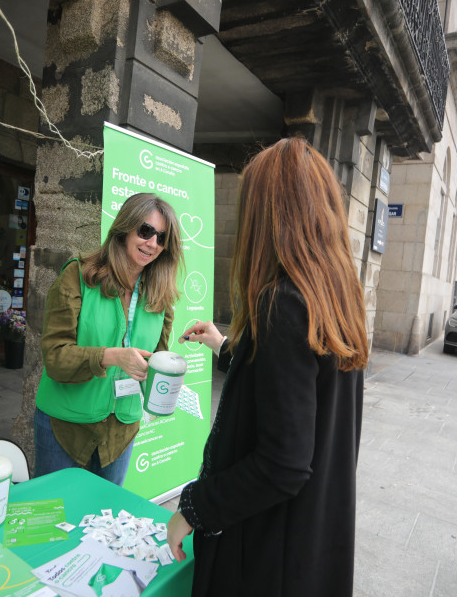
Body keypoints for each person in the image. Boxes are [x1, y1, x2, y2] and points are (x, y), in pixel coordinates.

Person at [166, 138, 368, 596]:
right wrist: (225, 347)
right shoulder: (335, 298)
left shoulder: (282, 302)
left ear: (270, 214)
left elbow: (283, 464)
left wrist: (193, 508)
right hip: (311, 545)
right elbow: (290, 389)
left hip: (266, 557)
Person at [34, 192, 184, 485]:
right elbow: (55, 358)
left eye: (161, 237)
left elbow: (157, 358)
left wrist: (165, 378)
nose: (152, 243)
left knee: (105, 523)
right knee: (55, 525)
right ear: (125, 229)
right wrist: (112, 356)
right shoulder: (79, 275)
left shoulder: (161, 296)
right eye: (145, 231)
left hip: (121, 431)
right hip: (66, 427)